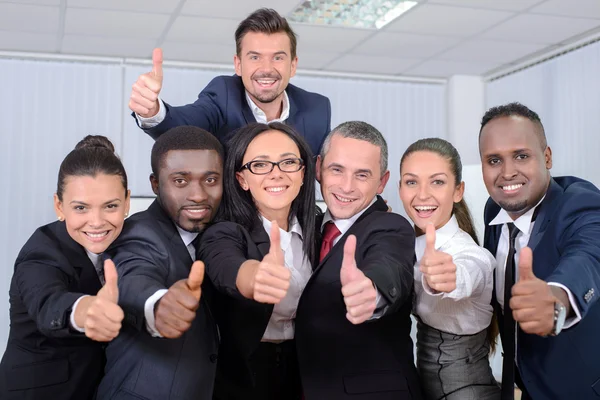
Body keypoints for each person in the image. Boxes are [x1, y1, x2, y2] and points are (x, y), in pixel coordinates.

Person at [480, 102, 600, 400]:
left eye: (521, 156)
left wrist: (558, 299)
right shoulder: (494, 209)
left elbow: (589, 255)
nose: (507, 173)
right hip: (526, 387)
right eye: (494, 160)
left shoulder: (579, 204)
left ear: (547, 157)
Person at [294, 121, 422, 399]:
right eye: (337, 170)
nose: (347, 186)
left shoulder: (391, 227)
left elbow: (389, 266)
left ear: (382, 182)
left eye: (362, 175)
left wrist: (372, 292)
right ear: (318, 169)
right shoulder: (306, 228)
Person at [97, 126, 223, 400]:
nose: (199, 195)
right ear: (155, 184)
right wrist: (157, 305)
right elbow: (132, 277)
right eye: (180, 181)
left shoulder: (221, 231)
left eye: (211, 180)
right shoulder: (138, 233)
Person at [0, 135, 128, 399]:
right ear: (59, 206)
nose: (96, 221)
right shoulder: (40, 252)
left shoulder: (128, 242)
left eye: (110, 206)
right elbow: (49, 303)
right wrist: (86, 311)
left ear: (126, 202)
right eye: (81, 208)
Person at [199, 122, 316, 399]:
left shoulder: (320, 228)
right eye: (260, 165)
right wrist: (255, 277)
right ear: (242, 179)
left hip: (308, 370)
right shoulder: (224, 232)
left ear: (302, 173)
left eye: (288, 162)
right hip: (246, 375)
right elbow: (225, 265)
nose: (276, 174)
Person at [129, 8, 331, 156]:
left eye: (278, 57)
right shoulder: (223, 95)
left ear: (293, 65)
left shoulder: (317, 109)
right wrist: (153, 112)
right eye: (254, 57)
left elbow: (332, 167)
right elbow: (182, 127)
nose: (267, 69)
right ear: (238, 65)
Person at [399, 138, 500, 400]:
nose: (422, 194)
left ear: (458, 191)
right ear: (399, 188)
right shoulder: (407, 244)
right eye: (411, 182)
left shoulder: (469, 253)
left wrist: (449, 278)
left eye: (437, 182)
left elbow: (469, 272)